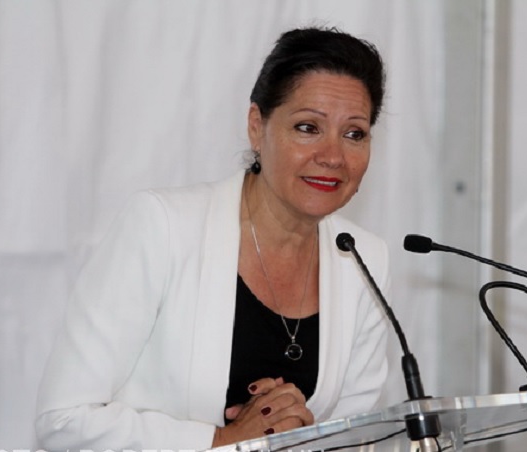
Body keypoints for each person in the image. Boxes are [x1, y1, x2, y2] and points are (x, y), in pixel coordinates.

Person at [36, 26, 391, 451]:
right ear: (257, 127)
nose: (333, 155)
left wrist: (300, 430)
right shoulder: (164, 226)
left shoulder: (362, 258)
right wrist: (220, 441)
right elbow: (63, 420)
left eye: (354, 133)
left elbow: (356, 435)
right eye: (307, 127)